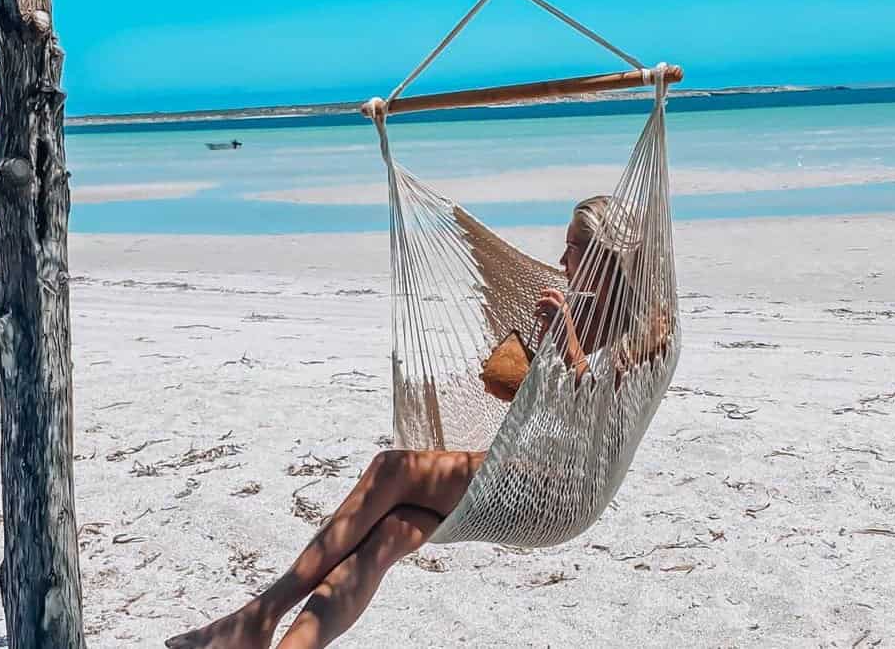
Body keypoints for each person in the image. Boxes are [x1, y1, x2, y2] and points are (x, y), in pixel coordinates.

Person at [167, 195, 642, 649]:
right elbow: (549, 404)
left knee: (390, 469)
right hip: (525, 469)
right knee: (388, 534)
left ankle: (257, 619)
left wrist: (570, 345)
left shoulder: (648, 328)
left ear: (604, 255)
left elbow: (600, 406)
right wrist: (535, 359)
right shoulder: (579, 311)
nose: (561, 260)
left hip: (565, 490)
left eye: (572, 249)